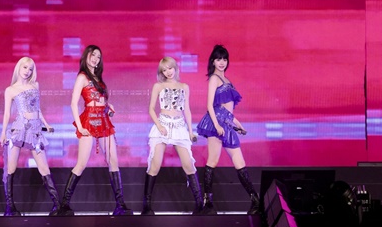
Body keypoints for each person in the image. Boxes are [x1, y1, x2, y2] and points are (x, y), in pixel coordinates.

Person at [57, 45, 133, 216]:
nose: (96, 59)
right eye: (93, 55)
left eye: (99, 57)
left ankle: (120, 205)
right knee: (81, 163)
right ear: (87, 56)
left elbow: (100, 101)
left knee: (113, 161)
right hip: (89, 121)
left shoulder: (98, 79)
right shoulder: (82, 77)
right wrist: (80, 126)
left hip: (104, 120)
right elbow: (73, 103)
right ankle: (64, 205)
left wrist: (108, 107)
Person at [196, 44, 260, 215]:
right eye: (218, 59)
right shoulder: (214, 78)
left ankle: (255, 202)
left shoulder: (228, 81)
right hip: (215, 124)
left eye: (224, 59)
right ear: (213, 61)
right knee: (213, 161)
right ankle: (208, 203)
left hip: (227, 124)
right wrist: (217, 125)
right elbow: (210, 105)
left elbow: (228, 112)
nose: (222, 62)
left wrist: (239, 125)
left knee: (240, 163)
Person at [0, 57, 60, 216]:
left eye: (30, 69)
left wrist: (46, 124)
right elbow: (7, 114)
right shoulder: (10, 90)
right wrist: (3, 132)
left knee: (44, 168)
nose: (27, 71)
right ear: (19, 67)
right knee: (11, 168)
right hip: (19, 128)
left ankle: (58, 205)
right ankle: (10, 207)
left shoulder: (35, 85)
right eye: (25, 67)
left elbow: (37, 109)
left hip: (35, 130)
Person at [141, 57, 203, 215]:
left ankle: (200, 205)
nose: (168, 72)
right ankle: (146, 206)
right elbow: (150, 109)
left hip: (179, 126)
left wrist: (190, 131)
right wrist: (159, 126)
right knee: (155, 165)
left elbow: (187, 110)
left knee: (188, 165)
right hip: (162, 124)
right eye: (164, 70)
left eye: (170, 68)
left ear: (175, 68)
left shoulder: (184, 87)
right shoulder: (158, 86)